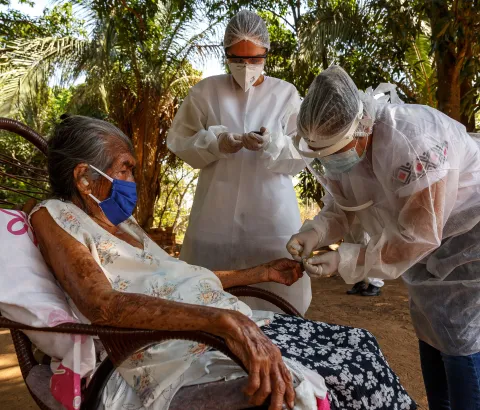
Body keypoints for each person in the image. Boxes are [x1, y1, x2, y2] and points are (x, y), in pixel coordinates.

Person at [30, 115, 416, 410]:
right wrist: (221, 321)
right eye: (125, 168)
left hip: (222, 322)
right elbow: (103, 305)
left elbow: (177, 277)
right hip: (178, 347)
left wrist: (260, 273)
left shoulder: (121, 223)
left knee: (359, 344)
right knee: (330, 376)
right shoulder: (54, 216)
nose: (133, 178)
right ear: (84, 178)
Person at [287, 65, 480, 410]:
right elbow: (344, 204)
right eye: (322, 156)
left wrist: (348, 259)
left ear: (361, 126)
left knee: (460, 338)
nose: (331, 163)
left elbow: (418, 235)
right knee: (433, 330)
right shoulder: (349, 148)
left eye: (335, 152)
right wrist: (314, 231)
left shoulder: (415, 140)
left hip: (468, 241)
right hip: (426, 245)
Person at [167, 10, 311, 314]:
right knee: (209, 298)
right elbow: (180, 141)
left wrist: (273, 144)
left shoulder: (285, 94)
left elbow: (302, 154)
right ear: (226, 54)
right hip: (214, 216)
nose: (246, 67)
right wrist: (215, 143)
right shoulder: (205, 92)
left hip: (271, 218)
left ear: (267, 54)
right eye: (238, 59)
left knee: (277, 303)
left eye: (255, 59)